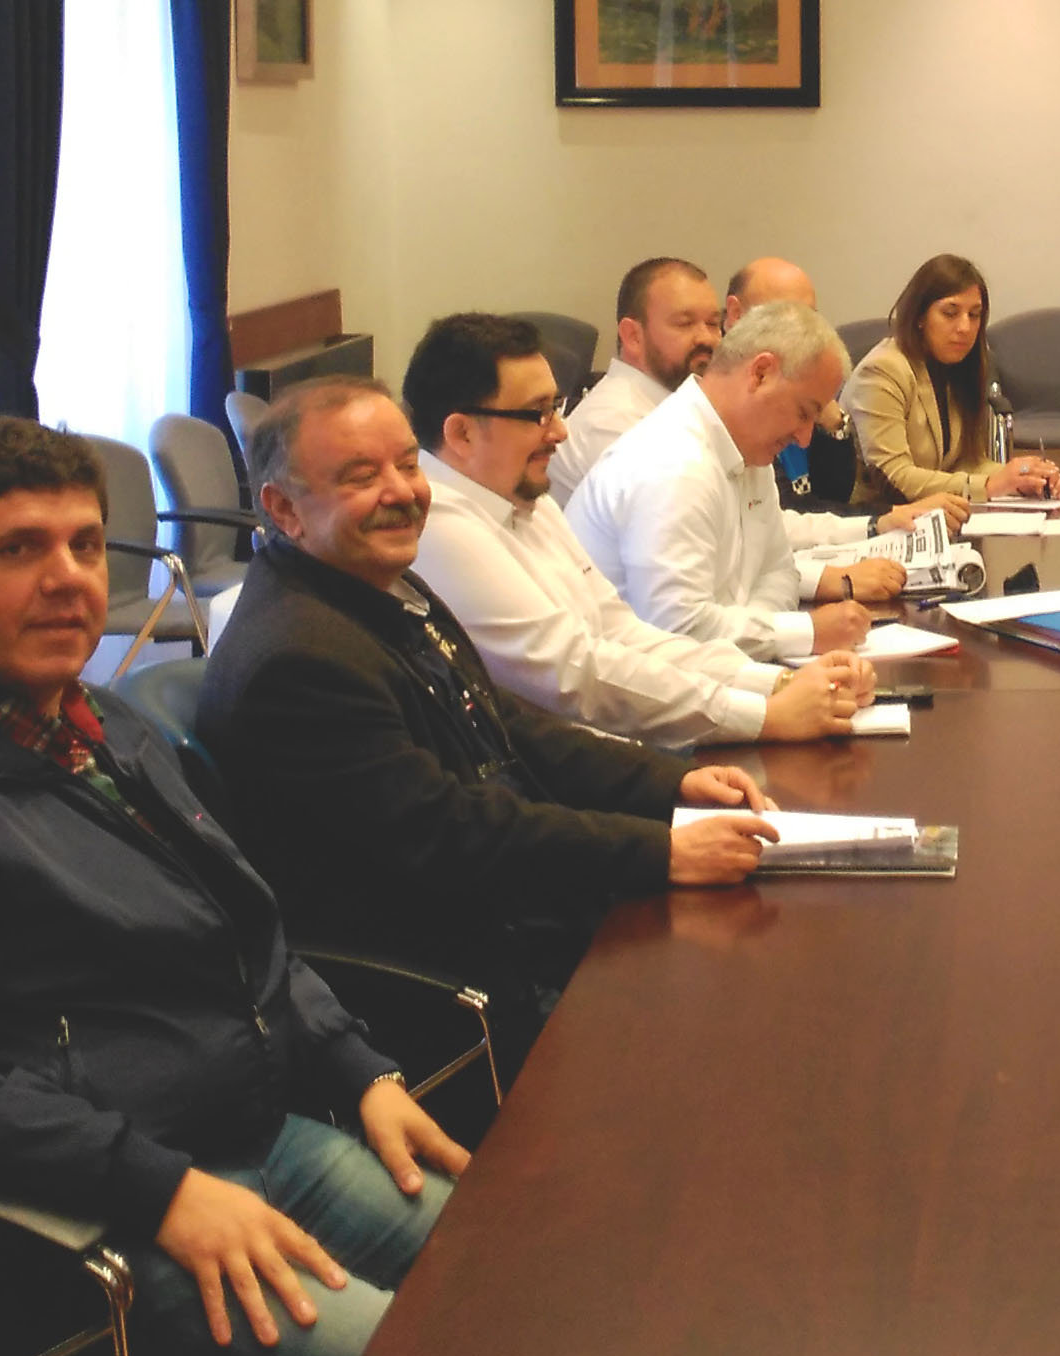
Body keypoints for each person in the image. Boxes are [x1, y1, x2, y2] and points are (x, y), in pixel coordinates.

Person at [0, 417, 468, 1356]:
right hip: (121, 1204)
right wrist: (159, 1189)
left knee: (520, 1281)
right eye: (18, 550)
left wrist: (359, 1069)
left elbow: (247, 930)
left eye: (85, 546)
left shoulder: (104, 722)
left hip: (266, 1132)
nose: (67, 578)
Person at [197, 378, 784, 1048]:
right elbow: (454, 832)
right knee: (745, 1012)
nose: (402, 492)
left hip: (510, 909)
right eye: (362, 476)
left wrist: (670, 784)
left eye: (408, 466)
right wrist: (662, 849)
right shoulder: (300, 661)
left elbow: (506, 725)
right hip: (445, 981)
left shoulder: (369, 581)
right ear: (283, 507)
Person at [401, 312, 873, 749]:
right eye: (537, 413)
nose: (560, 432)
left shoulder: (525, 498)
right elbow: (577, 674)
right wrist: (763, 714)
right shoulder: (441, 525)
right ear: (461, 434)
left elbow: (622, 633)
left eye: (557, 407)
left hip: (615, 751)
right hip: (564, 780)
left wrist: (775, 684)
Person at [566, 302, 902, 663]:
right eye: (803, 413)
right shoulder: (673, 464)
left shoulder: (747, 446)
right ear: (760, 373)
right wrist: (801, 632)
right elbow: (677, 630)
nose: (805, 438)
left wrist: (758, 630)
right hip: (631, 700)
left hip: (710, 678)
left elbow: (779, 571)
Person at [841, 253, 1060, 515]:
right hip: (877, 518)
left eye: (975, 315)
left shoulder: (959, 366)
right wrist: (992, 484)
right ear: (920, 316)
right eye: (950, 313)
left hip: (934, 515)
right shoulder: (882, 370)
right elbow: (894, 479)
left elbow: (966, 463)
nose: (965, 327)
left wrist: (1024, 478)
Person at [549, 256, 722, 502]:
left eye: (714, 324)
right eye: (685, 324)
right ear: (633, 336)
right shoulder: (616, 423)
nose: (707, 338)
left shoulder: (679, 407)